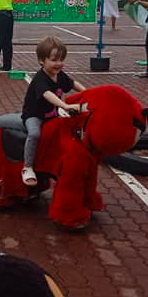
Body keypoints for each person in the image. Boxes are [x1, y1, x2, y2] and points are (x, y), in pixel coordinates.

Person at [20, 36, 86, 186]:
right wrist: (65, 106)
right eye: (54, 60)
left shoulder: (59, 75)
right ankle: (28, 167)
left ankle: (59, 164)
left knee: (66, 132)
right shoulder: (40, 79)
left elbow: (73, 84)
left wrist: (88, 93)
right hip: (34, 116)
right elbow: (47, 94)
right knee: (35, 134)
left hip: (51, 116)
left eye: (62, 59)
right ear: (42, 61)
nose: (59, 63)